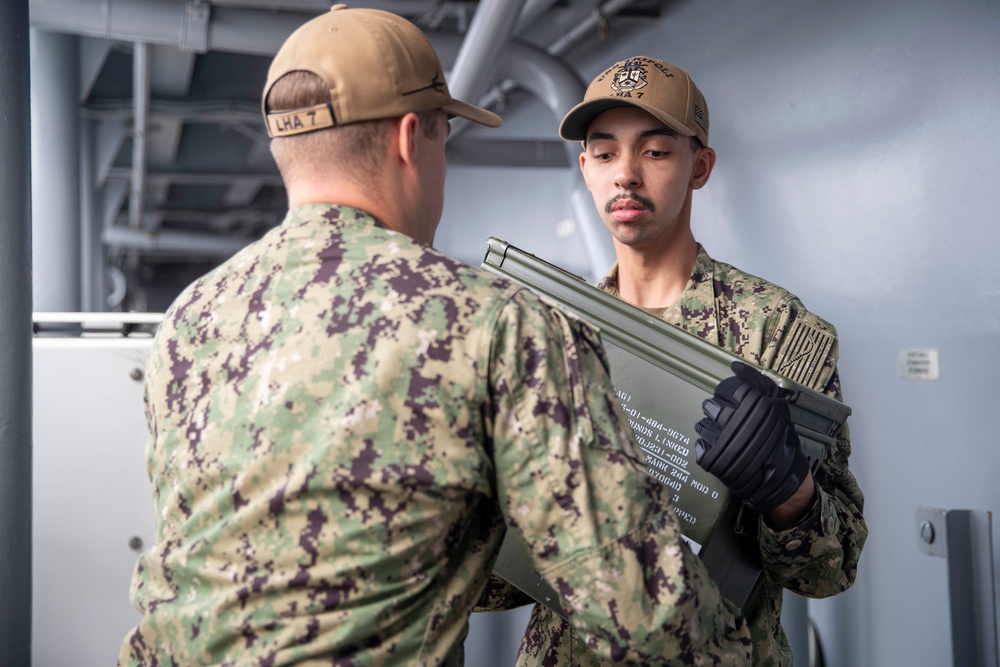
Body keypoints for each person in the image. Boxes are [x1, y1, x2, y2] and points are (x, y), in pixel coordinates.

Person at [117, 11, 755, 666]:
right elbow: (640, 610)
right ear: (408, 138)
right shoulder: (496, 324)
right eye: (444, 136)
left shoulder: (191, 317)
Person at [505, 56, 868, 666]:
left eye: (655, 152)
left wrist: (790, 494)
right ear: (585, 170)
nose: (625, 175)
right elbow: (501, 577)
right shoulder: (552, 330)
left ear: (699, 167)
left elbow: (831, 571)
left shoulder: (777, 332)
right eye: (604, 153)